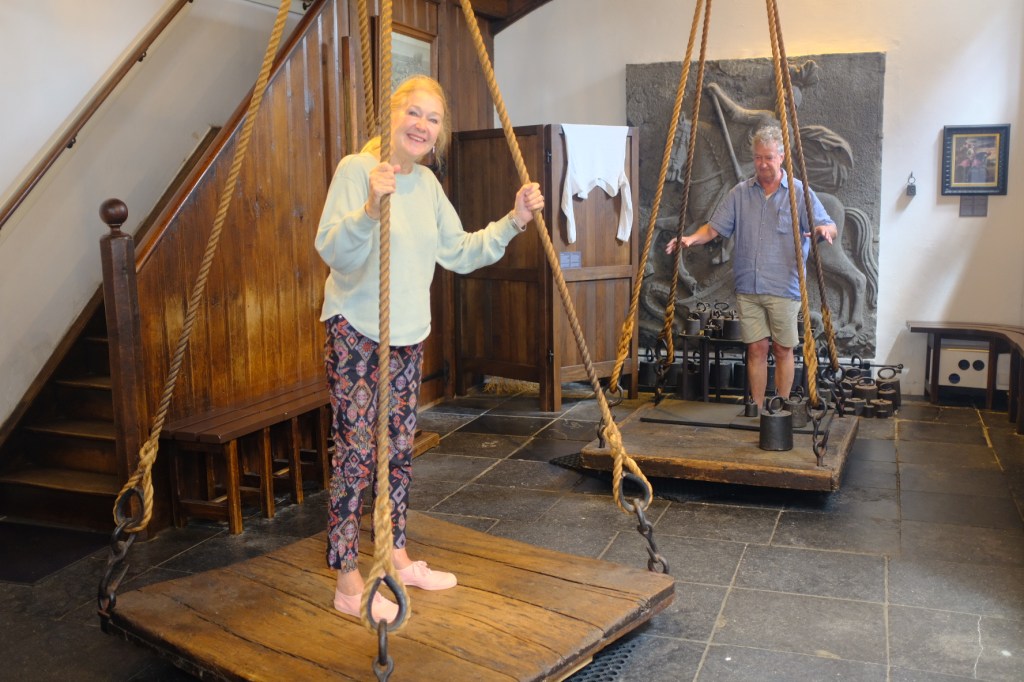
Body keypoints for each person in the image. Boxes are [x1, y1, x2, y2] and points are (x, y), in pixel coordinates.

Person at [315, 75, 544, 623]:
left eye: (433, 119)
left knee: (398, 450)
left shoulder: (427, 185)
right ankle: (347, 577)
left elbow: (459, 251)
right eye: (414, 113)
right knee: (356, 453)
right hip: (357, 329)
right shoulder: (357, 170)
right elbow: (334, 252)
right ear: (392, 116)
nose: (422, 126)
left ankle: (394, 555)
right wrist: (370, 208)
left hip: (409, 333)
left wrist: (515, 220)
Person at [666, 125, 837, 412]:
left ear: (781, 157)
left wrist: (823, 230)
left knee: (783, 349)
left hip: (784, 287)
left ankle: (780, 409)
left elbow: (828, 224)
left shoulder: (798, 192)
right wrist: (690, 239)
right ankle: (756, 407)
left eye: (768, 157)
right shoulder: (740, 193)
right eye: (758, 157)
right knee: (756, 349)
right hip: (749, 287)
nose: (763, 164)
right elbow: (714, 228)